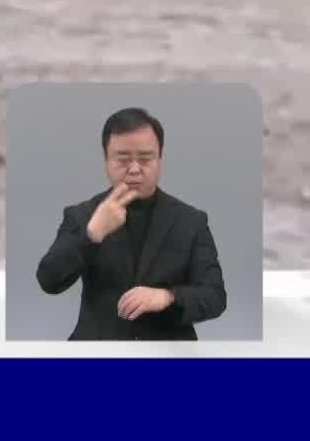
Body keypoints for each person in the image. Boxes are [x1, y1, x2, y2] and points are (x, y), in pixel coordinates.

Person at [34, 106, 227, 340]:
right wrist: (91, 235)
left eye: (146, 159)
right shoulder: (82, 215)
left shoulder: (191, 220)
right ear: (106, 161)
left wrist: (168, 297)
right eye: (123, 159)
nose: (135, 169)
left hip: (168, 353)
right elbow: (48, 280)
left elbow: (216, 297)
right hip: (98, 353)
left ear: (160, 160)